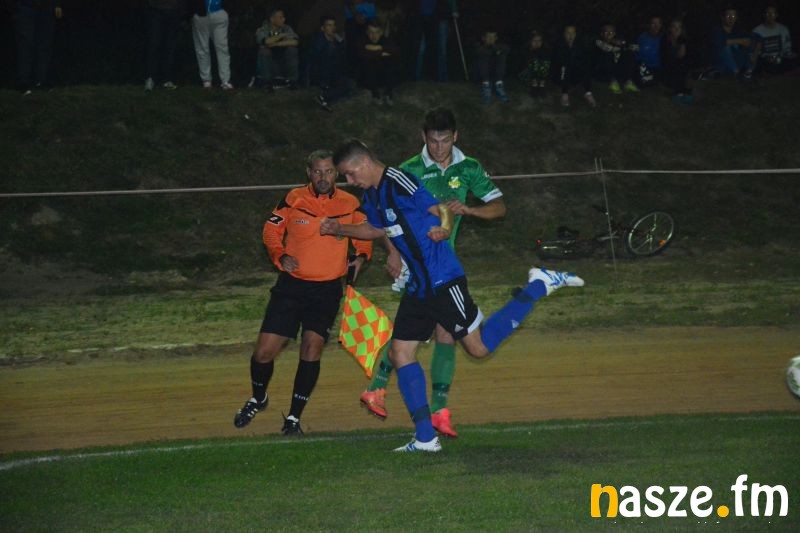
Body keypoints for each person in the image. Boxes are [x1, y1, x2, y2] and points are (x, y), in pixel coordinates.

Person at [322, 139, 584, 452]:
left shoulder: (399, 180)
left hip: (443, 279)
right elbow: (375, 229)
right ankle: (425, 438)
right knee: (400, 353)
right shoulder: (373, 195)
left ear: (364, 162)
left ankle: (539, 284)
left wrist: (445, 228)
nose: (349, 181)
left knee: (478, 348)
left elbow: (442, 209)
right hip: (419, 286)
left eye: (350, 173)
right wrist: (339, 229)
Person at [359, 107, 506, 438]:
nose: (439, 148)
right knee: (420, 330)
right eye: (433, 141)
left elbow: (499, 207)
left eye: (445, 140)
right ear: (423, 138)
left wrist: (469, 210)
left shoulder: (469, 167)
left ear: (456, 137)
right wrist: (393, 252)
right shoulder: (408, 169)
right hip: (419, 263)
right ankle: (385, 390)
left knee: (441, 332)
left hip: (443, 263)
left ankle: (431, 409)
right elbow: (386, 216)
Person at [233, 150, 373, 435]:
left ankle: (293, 418)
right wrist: (280, 254)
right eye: (317, 171)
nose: (323, 177)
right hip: (291, 287)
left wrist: (360, 257)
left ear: (337, 174)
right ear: (309, 172)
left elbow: (364, 233)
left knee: (312, 348)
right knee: (263, 353)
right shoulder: (293, 198)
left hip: (327, 290)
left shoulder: (350, 203)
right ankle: (258, 398)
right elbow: (271, 231)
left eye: (329, 171)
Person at [12, 0, 63, 94]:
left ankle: (40, 81)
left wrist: (57, 4)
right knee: (26, 45)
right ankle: (24, 82)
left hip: (46, 8)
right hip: (26, 7)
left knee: (44, 46)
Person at [309, 15, 355, 111]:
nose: (332, 28)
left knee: (350, 85)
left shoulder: (337, 40)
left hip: (335, 73)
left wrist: (341, 42)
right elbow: (316, 59)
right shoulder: (318, 40)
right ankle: (326, 92)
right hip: (321, 74)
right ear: (323, 28)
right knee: (330, 48)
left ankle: (324, 98)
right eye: (329, 25)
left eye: (333, 25)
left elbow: (343, 57)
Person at [191, 0, 233, 89]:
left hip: (216, 12)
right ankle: (210, 80)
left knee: (219, 48)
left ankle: (222, 80)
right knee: (205, 48)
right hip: (203, 13)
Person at [254, 7, 299, 91]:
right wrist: (281, 36)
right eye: (280, 17)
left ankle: (292, 81)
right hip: (269, 62)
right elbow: (265, 41)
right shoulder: (264, 29)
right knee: (264, 51)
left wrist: (276, 44)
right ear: (272, 19)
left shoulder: (286, 28)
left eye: (283, 17)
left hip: (282, 60)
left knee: (292, 50)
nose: (283, 19)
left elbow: (295, 41)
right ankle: (266, 82)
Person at [551, 24, 596, 107]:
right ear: (564, 34)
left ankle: (588, 93)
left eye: (573, 33)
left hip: (575, 74)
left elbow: (584, 60)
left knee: (585, 67)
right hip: (561, 75)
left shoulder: (580, 45)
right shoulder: (559, 45)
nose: (570, 35)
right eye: (568, 33)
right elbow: (557, 62)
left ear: (576, 34)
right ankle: (564, 94)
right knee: (565, 67)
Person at [413, 0, 458, 81]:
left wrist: (454, 9)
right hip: (426, 17)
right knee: (423, 48)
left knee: (441, 48)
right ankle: (419, 76)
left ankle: (441, 77)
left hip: (439, 16)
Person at [144, 0, 184, 92]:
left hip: (173, 10)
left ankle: (166, 79)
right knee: (154, 45)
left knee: (170, 47)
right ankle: (151, 78)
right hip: (155, 9)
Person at [359, 20, 400, 106]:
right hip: (367, 77)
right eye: (371, 32)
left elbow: (395, 50)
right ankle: (375, 94)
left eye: (377, 32)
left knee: (392, 61)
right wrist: (381, 53)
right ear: (367, 32)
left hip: (383, 75)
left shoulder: (384, 40)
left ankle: (388, 94)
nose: (374, 36)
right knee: (368, 63)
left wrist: (378, 47)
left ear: (381, 32)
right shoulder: (362, 40)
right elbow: (363, 53)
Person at [710, 7, 756, 79]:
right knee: (726, 48)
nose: (731, 19)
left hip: (736, 59)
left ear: (736, 18)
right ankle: (737, 72)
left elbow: (751, 39)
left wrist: (754, 51)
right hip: (721, 62)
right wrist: (740, 41)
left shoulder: (738, 30)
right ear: (723, 18)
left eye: (733, 16)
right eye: (728, 16)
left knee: (746, 47)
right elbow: (722, 43)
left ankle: (748, 71)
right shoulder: (717, 30)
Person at [594, 23, 640, 94]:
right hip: (602, 72)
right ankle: (612, 82)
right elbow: (608, 48)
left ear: (615, 33)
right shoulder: (598, 41)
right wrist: (615, 43)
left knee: (629, 54)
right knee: (608, 55)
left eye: (611, 32)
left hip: (616, 70)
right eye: (606, 32)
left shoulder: (618, 41)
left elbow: (636, 48)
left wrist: (624, 44)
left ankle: (627, 82)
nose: (609, 34)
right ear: (601, 34)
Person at [752, 4, 797, 75]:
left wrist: (788, 55)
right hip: (765, 59)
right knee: (758, 63)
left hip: (780, 58)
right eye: (768, 13)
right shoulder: (757, 30)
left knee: (793, 60)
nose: (770, 16)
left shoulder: (783, 29)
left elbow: (787, 48)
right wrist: (766, 57)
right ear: (764, 15)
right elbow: (754, 50)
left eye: (773, 13)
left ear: (776, 15)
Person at [660, 18, 693, 105]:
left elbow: (683, 56)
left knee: (683, 69)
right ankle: (679, 93)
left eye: (679, 27)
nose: (677, 29)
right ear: (670, 28)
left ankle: (683, 93)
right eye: (674, 27)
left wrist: (682, 43)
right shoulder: (665, 40)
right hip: (669, 68)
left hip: (682, 68)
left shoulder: (684, 40)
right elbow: (666, 58)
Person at [475, 28, 510, 104]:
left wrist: (495, 48)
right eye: (488, 37)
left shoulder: (500, 46)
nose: (491, 39)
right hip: (483, 75)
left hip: (496, 74)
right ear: (483, 38)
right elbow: (480, 52)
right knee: (483, 58)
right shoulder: (480, 47)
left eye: (493, 37)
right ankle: (486, 88)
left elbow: (507, 50)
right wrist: (494, 50)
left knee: (502, 56)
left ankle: (499, 86)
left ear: (496, 38)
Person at [519, 30, 551, 98]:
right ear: (530, 41)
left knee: (545, 63)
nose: (537, 42)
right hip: (526, 75)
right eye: (534, 40)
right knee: (534, 62)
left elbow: (547, 66)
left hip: (540, 76)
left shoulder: (545, 50)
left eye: (539, 40)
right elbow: (524, 66)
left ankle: (541, 87)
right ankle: (534, 87)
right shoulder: (526, 49)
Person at [636, 16, 663, 86]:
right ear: (649, 25)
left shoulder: (664, 38)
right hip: (645, 67)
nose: (656, 25)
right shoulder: (642, 37)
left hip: (658, 68)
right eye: (653, 23)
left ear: (661, 25)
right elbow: (638, 55)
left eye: (658, 23)